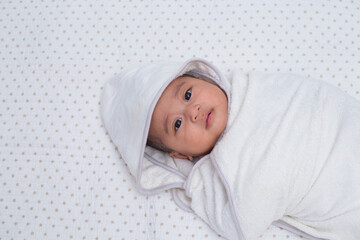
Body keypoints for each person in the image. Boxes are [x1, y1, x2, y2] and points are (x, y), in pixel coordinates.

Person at [101, 58, 360, 240]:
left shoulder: (257, 89)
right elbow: (243, 223)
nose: (193, 111)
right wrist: (197, 186)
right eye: (177, 124)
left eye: (188, 94)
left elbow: (311, 100)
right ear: (181, 155)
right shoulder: (221, 175)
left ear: (204, 77)